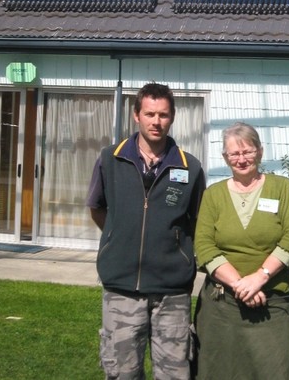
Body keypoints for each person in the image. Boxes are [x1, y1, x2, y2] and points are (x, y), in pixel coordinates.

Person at [86, 82, 205, 380]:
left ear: (173, 117)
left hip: (172, 290)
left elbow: (197, 220)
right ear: (136, 114)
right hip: (121, 287)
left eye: (163, 115)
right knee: (122, 372)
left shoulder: (190, 167)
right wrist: (118, 237)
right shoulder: (110, 159)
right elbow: (97, 207)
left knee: (175, 374)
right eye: (150, 114)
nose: (156, 121)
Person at [192, 122, 289, 380]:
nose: (241, 159)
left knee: (277, 370)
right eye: (234, 154)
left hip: (271, 304)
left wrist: (260, 278)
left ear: (259, 151)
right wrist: (240, 285)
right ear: (225, 158)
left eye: (247, 151)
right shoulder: (213, 195)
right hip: (222, 308)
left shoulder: (281, 189)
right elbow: (203, 245)